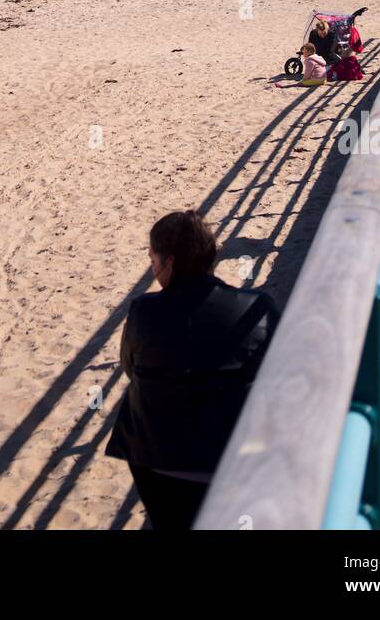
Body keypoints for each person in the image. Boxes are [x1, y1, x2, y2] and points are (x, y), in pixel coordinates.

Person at [106, 210, 280, 532]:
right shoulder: (258, 306)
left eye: (153, 260)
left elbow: (130, 367)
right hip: (234, 459)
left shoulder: (144, 311)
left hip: (158, 463)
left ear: (169, 262)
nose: (153, 268)